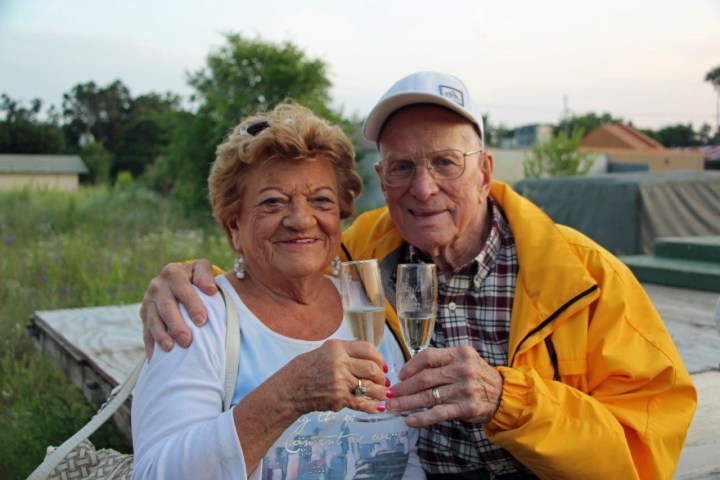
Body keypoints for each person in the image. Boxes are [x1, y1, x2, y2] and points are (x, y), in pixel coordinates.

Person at [140, 72, 697, 479]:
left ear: (484, 172)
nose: (423, 188)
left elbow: (642, 459)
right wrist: (193, 281)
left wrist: (510, 399)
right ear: (381, 178)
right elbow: (286, 261)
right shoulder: (365, 258)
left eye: (445, 164)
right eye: (403, 167)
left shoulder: (589, 280)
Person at [131, 102, 424, 479]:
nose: (301, 219)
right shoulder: (197, 317)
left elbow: (411, 454)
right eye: (272, 202)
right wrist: (289, 394)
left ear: (340, 217)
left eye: (321, 200)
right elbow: (154, 473)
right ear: (234, 225)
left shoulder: (368, 305)